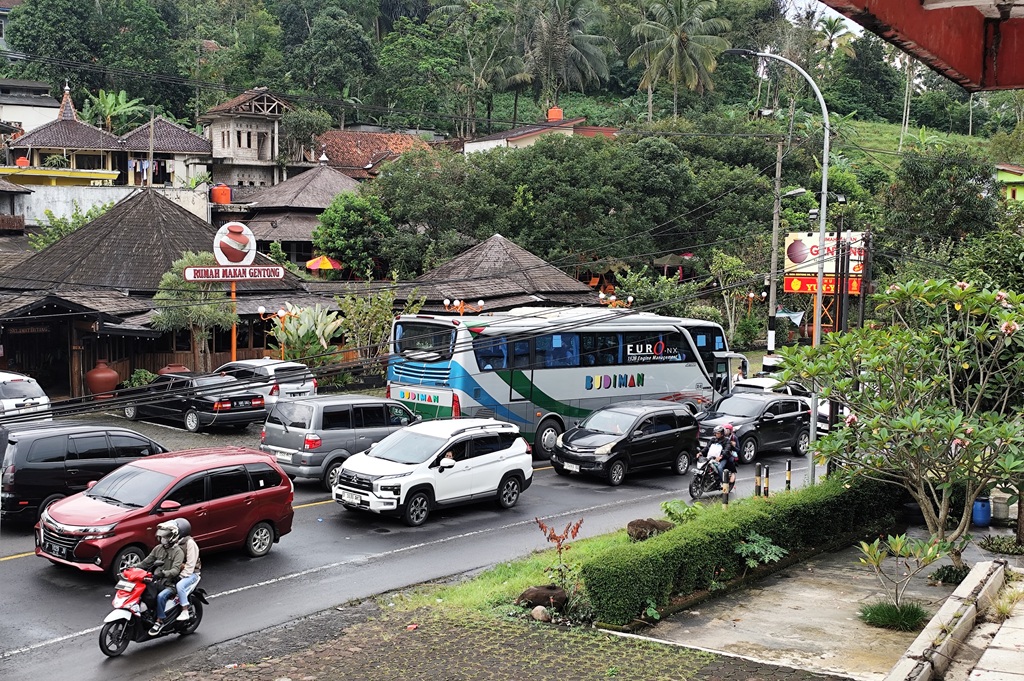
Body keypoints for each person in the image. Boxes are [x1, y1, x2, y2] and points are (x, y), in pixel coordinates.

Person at [141, 521, 185, 634]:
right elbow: (146, 562)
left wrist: (164, 573)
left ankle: (159, 621)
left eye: (165, 537)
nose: (162, 539)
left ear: (172, 537)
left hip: (170, 584)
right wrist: (130, 568)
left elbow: (175, 570)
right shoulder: (158, 548)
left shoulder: (178, 552)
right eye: (161, 537)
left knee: (160, 597)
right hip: (157, 581)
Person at [172, 518, 202, 623]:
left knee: (180, 586)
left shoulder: (190, 543)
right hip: (178, 571)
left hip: (192, 574)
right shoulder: (175, 543)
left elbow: (191, 565)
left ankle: (185, 610)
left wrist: (181, 576)